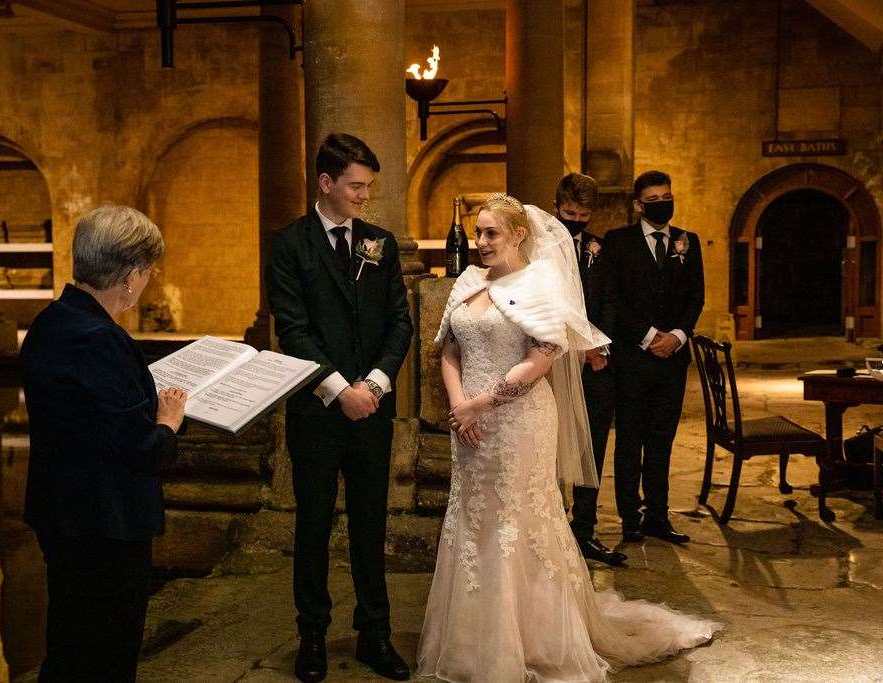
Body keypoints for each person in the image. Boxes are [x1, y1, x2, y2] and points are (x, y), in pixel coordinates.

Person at [416, 193, 720, 682]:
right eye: (478, 232)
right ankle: (474, 640)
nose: (482, 242)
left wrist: (480, 402)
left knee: (518, 520)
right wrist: (458, 406)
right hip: (467, 425)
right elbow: (449, 349)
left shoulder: (538, 283)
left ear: (518, 235)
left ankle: (532, 637)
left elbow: (541, 361)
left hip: (517, 419)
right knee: (473, 520)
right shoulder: (469, 281)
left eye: (492, 233)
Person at [267, 133, 414, 682]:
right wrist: (338, 388)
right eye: (356, 186)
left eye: (368, 187)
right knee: (313, 524)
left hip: (371, 410)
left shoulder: (380, 242)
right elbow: (294, 328)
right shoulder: (290, 245)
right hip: (318, 412)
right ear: (325, 184)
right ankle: (312, 635)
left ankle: (374, 632)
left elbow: (399, 319)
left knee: (372, 523)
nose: (363, 197)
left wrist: (374, 384)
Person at [21, 205, 187, 683]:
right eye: (149, 272)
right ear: (132, 276)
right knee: (108, 657)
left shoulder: (50, 323)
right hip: (107, 524)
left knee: (69, 646)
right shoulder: (103, 341)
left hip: (61, 513)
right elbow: (143, 451)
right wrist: (169, 420)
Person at [602, 171, 705, 545]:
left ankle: (658, 517)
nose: (663, 202)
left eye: (667, 196)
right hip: (633, 358)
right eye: (654, 197)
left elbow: (696, 297)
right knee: (630, 440)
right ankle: (631, 518)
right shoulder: (618, 242)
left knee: (662, 440)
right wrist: (648, 336)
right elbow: (612, 300)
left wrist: (677, 336)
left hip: (672, 361)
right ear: (638, 204)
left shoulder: (687, 242)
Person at [555, 173, 627, 568]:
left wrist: (599, 344)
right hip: (555, 360)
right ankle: (553, 528)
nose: (577, 220)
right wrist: (577, 348)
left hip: (597, 360)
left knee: (592, 446)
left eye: (584, 213)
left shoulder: (601, 248)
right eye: (570, 212)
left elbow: (611, 299)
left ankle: (584, 529)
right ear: (557, 207)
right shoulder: (540, 249)